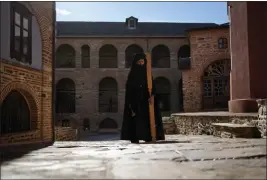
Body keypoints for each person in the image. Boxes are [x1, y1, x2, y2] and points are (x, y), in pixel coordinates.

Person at [120, 53, 165, 143]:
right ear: (135, 63)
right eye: (139, 62)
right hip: (135, 101)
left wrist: (152, 95)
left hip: (146, 101)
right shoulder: (132, 75)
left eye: (142, 62)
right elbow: (129, 89)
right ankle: (135, 137)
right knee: (135, 120)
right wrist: (130, 104)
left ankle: (147, 136)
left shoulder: (147, 75)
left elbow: (153, 87)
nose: (141, 64)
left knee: (147, 119)